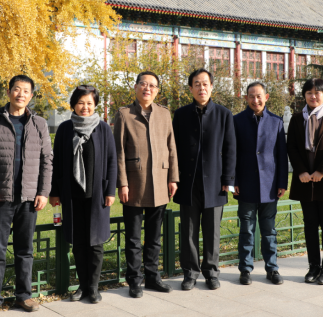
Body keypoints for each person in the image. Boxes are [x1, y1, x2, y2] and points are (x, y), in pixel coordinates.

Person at [0, 75, 52, 317]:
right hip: (0, 198)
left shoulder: (39, 123)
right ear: (9, 92)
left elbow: (47, 161)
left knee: (25, 250)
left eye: (26, 91)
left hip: (29, 199)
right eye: (17, 89)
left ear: (31, 96)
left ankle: (23, 295)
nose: (21, 94)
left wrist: (44, 192)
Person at [48, 85, 117, 303]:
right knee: (78, 243)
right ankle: (82, 286)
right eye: (80, 103)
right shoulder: (65, 129)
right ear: (73, 105)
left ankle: (94, 287)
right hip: (72, 195)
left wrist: (110, 190)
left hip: (97, 195)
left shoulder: (103, 128)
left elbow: (112, 161)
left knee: (95, 243)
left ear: (95, 105)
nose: (85, 107)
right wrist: (54, 192)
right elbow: (57, 162)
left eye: (89, 103)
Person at [114, 71, 179, 298]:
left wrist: (173, 178)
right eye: (143, 84)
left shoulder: (164, 113)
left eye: (152, 85)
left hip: (160, 181)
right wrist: (122, 183)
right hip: (134, 183)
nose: (147, 88)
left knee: (154, 237)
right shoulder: (124, 114)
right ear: (136, 87)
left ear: (157, 90)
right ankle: (134, 280)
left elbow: (171, 147)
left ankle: (152, 277)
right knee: (133, 239)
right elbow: (119, 152)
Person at [172, 69, 236, 291]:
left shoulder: (224, 114)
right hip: (188, 183)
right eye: (197, 84)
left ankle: (211, 272)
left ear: (211, 87)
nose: (202, 88)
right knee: (188, 231)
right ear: (190, 88)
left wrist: (228, 179)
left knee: (212, 231)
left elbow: (230, 149)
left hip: (215, 183)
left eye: (205, 84)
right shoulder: (181, 114)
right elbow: (174, 149)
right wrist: (174, 178)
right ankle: (190, 272)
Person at [287, 78, 323, 285]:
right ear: (304, 95)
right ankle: (313, 266)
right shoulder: (297, 119)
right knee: (310, 224)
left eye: (317, 92)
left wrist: (322, 171)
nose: (313, 96)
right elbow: (291, 147)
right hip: (305, 180)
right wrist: (301, 171)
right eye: (309, 93)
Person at [233, 82, 288, 286]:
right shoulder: (237, 121)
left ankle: (272, 268)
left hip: (270, 186)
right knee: (246, 230)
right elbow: (232, 154)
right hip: (245, 185)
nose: (255, 100)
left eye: (259, 96)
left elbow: (281, 156)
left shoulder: (276, 122)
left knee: (269, 230)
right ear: (246, 98)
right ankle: (245, 269)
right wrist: (233, 181)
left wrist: (282, 182)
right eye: (251, 96)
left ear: (266, 97)